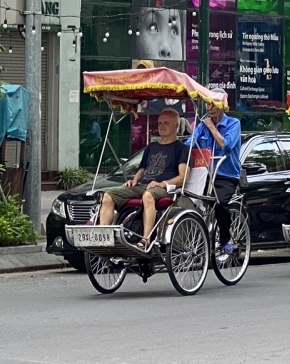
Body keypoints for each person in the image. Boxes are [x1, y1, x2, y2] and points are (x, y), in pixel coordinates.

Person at [99, 104, 188, 244]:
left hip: (164, 188)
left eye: (166, 123)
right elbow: (141, 169)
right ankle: (103, 238)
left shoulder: (182, 149)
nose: (162, 126)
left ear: (176, 125)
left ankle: (145, 239)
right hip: (143, 185)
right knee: (108, 195)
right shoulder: (151, 147)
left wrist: (162, 184)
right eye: (159, 123)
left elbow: (183, 177)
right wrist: (133, 181)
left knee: (148, 195)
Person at [189, 101, 242, 252]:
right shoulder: (201, 126)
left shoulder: (233, 124)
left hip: (226, 176)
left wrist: (212, 127)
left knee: (219, 202)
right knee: (186, 198)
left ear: (223, 106)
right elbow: (190, 144)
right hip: (204, 175)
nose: (209, 108)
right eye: (207, 105)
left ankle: (226, 240)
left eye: (213, 105)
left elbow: (226, 146)